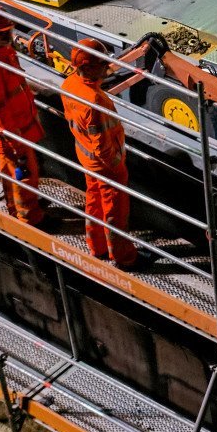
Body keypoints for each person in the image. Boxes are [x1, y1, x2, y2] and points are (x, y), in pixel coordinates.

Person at [60, 38, 136, 267]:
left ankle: (97, 246)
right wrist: (116, 165)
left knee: (94, 202)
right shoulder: (93, 101)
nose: (106, 68)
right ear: (91, 68)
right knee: (115, 210)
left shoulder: (70, 84)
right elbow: (101, 143)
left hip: (87, 160)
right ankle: (122, 257)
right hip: (107, 165)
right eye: (102, 64)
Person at [0, 10, 47, 225]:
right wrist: (15, 141)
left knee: (12, 173)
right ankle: (30, 218)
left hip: (19, 129)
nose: (8, 36)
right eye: (4, 33)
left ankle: (16, 208)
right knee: (24, 176)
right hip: (11, 135)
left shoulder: (3, 53)